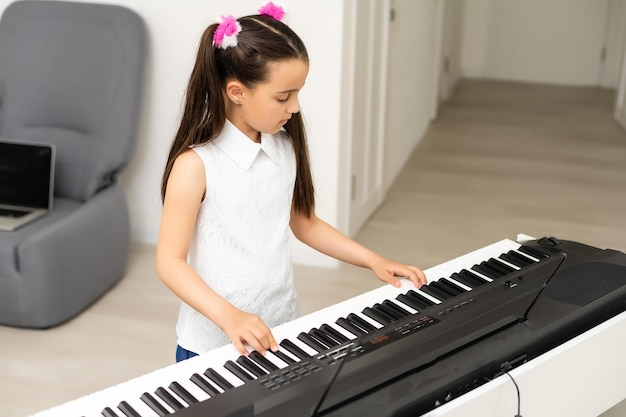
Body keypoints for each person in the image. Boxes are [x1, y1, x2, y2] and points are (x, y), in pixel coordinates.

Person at [156, 2, 427, 362]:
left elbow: (305, 223)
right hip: (212, 343)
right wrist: (230, 317)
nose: (295, 107)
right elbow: (170, 262)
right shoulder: (196, 166)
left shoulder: (283, 147)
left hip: (280, 330)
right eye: (284, 97)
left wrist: (372, 260)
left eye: (297, 93)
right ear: (237, 92)